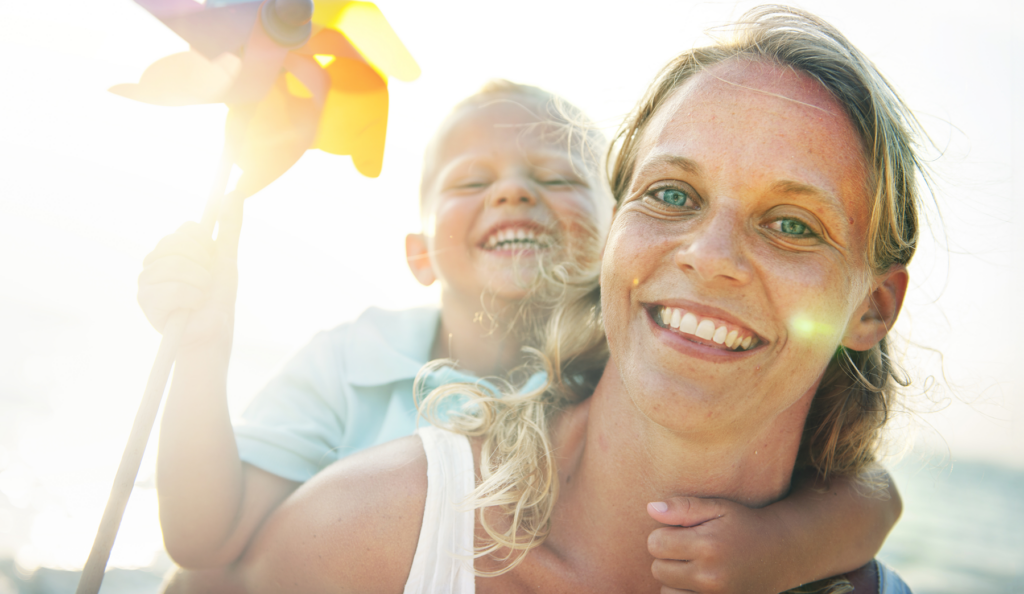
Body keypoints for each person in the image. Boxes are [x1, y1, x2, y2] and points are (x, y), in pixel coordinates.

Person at [143, 65, 905, 593]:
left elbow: (870, 491)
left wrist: (784, 548)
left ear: (611, 236)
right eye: (472, 182)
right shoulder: (356, 365)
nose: (512, 191)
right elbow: (205, 542)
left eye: (557, 178)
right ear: (418, 255)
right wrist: (202, 354)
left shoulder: (661, 360)